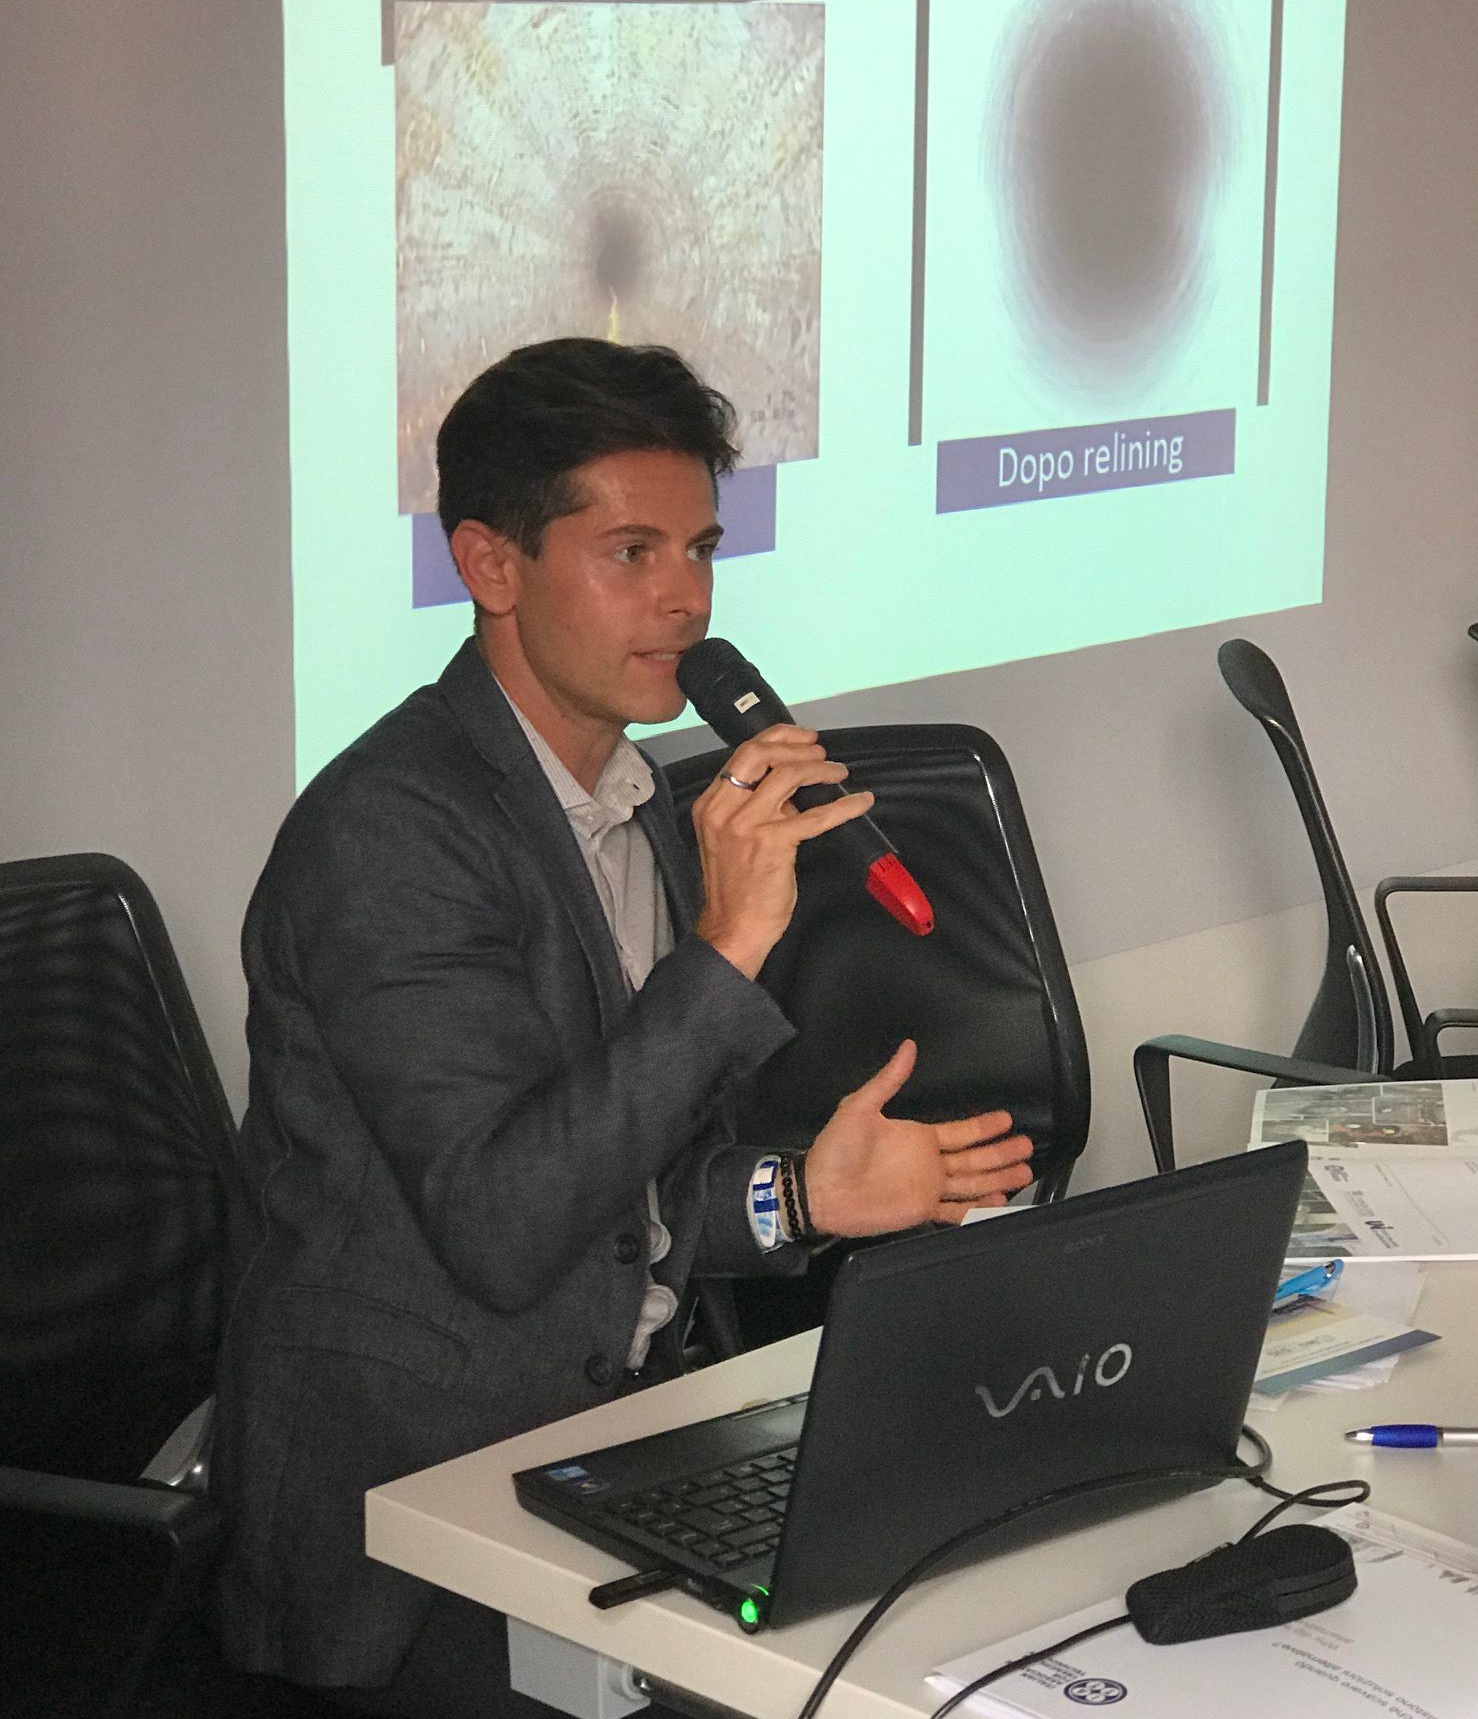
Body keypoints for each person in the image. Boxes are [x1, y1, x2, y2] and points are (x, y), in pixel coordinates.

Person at [214, 338, 1034, 1716]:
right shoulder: (389, 835)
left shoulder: (638, 803)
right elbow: (506, 1224)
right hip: (408, 1535)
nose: (688, 599)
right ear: (491, 565)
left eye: (700, 550)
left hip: (614, 1447)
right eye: (632, 553)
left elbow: (626, 1189)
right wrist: (727, 946)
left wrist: (801, 1198)